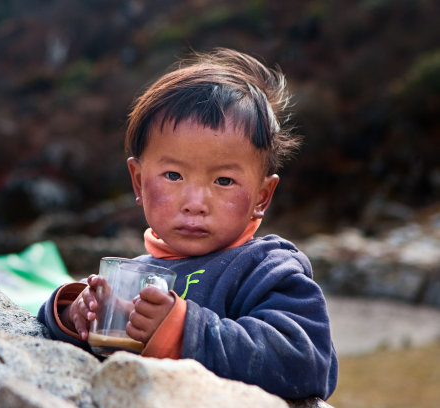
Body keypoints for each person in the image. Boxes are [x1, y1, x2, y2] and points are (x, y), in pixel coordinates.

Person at [38, 48, 338, 400]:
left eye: (223, 181)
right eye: (173, 175)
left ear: (262, 196)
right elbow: (57, 341)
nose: (195, 203)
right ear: (138, 182)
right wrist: (77, 314)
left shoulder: (267, 269)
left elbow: (307, 362)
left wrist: (180, 329)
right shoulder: (134, 274)